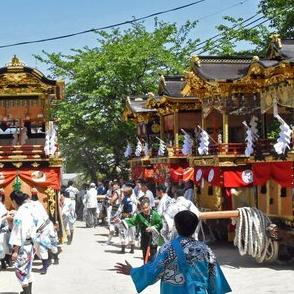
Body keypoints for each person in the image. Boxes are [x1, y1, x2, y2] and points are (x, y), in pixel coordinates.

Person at [115, 210, 231, 294]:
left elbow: (153, 272)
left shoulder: (168, 248)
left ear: (176, 227)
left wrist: (133, 271)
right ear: (195, 228)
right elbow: (216, 282)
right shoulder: (205, 250)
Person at [9, 191, 37, 294]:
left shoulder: (19, 215)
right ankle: (28, 292)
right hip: (30, 244)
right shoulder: (28, 210)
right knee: (28, 271)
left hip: (23, 248)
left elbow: (17, 233)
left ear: (14, 201)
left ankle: (27, 293)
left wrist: (15, 251)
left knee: (20, 271)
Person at [121, 197, 162, 263]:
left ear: (149, 206)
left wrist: (153, 227)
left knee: (153, 256)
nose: (145, 210)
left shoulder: (155, 214)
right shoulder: (139, 215)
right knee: (145, 255)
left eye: (146, 207)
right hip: (144, 236)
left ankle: (153, 270)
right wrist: (121, 221)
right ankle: (145, 269)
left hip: (153, 238)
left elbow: (160, 224)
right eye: (143, 208)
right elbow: (132, 221)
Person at [30, 188, 58, 274]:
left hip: (44, 228)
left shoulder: (31, 205)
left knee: (42, 247)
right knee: (49, 244)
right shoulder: (38, 204)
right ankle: (54, 258)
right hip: (45, 226)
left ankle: (45, 267)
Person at [113, 186, 136, 254]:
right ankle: (132, 249)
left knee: (123, 233)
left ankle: (123, 249)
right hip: (132, 218)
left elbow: (120, 209)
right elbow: (137, 208)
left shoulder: (124, 200)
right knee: (132, 233)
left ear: (125, 193)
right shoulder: (134, 199)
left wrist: (115, 216)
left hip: (124, 218)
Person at [0, 189, 12, 270]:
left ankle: (8, 260)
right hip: (2, 228)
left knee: (7, 245)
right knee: (2, 247)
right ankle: (3, 261)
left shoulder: (2, 205)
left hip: (4, 229)